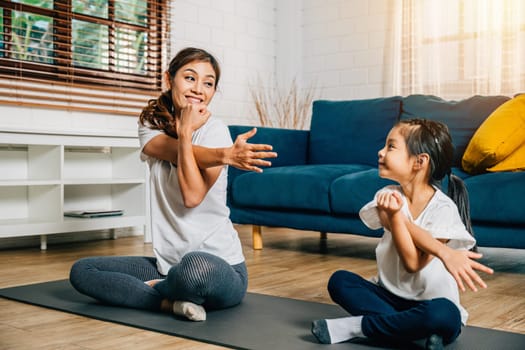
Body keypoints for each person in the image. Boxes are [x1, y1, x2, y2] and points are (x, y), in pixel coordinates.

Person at [69, 47, 277, 321]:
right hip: (167, 266)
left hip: (219, 268)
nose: (198, 89)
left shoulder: (216, 130)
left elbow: (192, 196)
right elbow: (176, 151)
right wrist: (216, 149)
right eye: (189, 78)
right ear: (169, 79)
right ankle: (170, 303)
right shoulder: (150, 124)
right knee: (83, 271)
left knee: (195, 266)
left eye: (208, 83)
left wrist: (198, 139)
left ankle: (159, 291)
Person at [311, 118, 494, 349]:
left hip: (430, 304)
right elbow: (404, 241)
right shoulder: (386, 195)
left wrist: (399, 217)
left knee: (445, 314)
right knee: (339, 281)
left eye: (391, 146)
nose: (380, 152)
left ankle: (359, 327)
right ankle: (411, 330)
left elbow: (413, 263)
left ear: (420, 161)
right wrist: (443, 252)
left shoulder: (444, 208)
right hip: (388, 298)